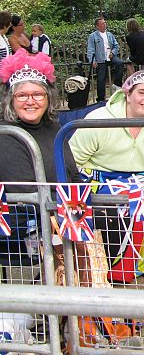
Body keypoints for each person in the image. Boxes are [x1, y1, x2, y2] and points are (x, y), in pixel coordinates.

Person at [68, 70, 144, 282]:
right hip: (96, 179)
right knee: (122, 204)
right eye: (142, 92)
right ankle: (112, 268)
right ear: (127, 94)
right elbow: (73, 160)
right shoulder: (99, 119)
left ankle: (143, 265)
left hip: (141, 179)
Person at [0, 50, 87, 285]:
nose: (31, 101)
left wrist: (84, 200)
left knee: (111, 214)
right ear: (10, 99)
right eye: (22, 95)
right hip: (26, 221)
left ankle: (91, 292)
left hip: (60, 210)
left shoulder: (54, 127)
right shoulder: (7, 134)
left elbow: (72, 174)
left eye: (38, 94)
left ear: (48, 97)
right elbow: (25, 189)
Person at [87, 17, 124, 102]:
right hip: (100, 59)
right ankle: (100, 99)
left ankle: (117, 84)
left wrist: (113, 53)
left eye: (105, 23)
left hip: (110, 56)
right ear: (97, 26)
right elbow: (90, 49)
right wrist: (92, 60)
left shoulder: (110, 34)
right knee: (101, 79)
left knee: (119, 63)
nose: (105, 24)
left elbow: (116, 46)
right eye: (102, 23)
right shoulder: (92, 36)